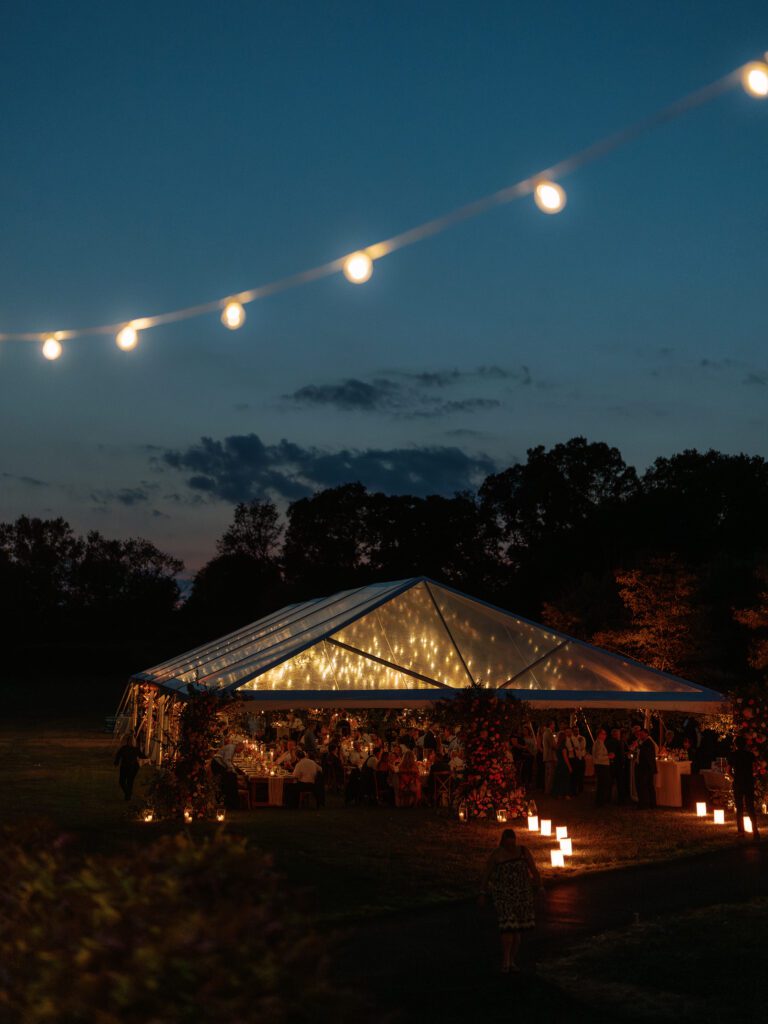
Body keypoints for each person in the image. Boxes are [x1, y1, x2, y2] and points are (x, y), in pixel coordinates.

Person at [480, 828, 542, 973]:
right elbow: (486, 874)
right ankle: (506, 961)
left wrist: (539, 887)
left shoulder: (523, 851)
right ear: (503, 842)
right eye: (507, 844)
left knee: (517, 930)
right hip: (504, 895)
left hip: (522, 895)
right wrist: (482, 892)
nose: (510, 846)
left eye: (512, 843)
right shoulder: (497, 855)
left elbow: (533, 870)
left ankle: (512, 960)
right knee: (507, 927)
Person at [729, 734, 760, 840]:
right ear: (745, 744)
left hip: (738, 782)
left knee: (740, 808)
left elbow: (728, 771)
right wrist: (752, 774)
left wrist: (734, 777)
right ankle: (755, 831)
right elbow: (756, 767)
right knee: (750, 807)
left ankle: (741, 832)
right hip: (748, 782)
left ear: (736, 745)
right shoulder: (750, 755)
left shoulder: (733, 755)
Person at [114, 736, 144, 800]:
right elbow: (118, 755)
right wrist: (116, 762)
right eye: (130, 741)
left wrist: (149, 758)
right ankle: (128, 793)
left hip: (133, 768)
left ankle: (127, 796)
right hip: (124, 767)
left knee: (130, 782)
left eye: (132, 741)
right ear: (128, 742)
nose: (131, 742)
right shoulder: (124, 749)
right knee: (122, 781)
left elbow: (142, 756)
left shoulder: (136, 749)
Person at [636, 728, 658, 809]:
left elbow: (646, 757)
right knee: (648, 786)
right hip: (646, 768)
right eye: (639, 734)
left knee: (644, 786)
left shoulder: (648, 743)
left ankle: (644, 804)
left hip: (645, 769)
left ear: (646, 734)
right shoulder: (645, 743)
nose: (640, 736)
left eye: (641, 734)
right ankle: (650, 804)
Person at [592, 728, 612, 807]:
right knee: (603, 784)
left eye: (605, 734)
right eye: (603, 734)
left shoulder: (600, 743)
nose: (605, 735)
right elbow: (598, 757)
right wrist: (608, 756)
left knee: (602, 784)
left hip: (602, 766)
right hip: (601, 766)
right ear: (599, 735)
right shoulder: (599, 744)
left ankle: (600, 801)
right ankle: (601, 802)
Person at [551, 732, 573, 798]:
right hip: (563, 765)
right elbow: (565, 758)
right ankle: (565, 794)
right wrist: (569, 767)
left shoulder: (558, 747)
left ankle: (559, 794)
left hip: (559, 764)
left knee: (559, 779)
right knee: (565, 780)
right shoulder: (563, 747)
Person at [570, 724, 587, 795]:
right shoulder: (571, 738)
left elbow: (583, 747)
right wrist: (577, 745)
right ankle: (574, 789)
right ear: (572, 731)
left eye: (577, 730)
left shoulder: (582, 738)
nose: (576, 732)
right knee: (575, 775)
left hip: (582, 758)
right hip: (575, 758)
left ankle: (581, 789)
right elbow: (572, 748)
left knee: (581, 774)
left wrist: (577, 746)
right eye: (575, 730)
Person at [541, 720, 557, 795]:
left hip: (546, 756)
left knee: (547, 775)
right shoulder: (549, 733)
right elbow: (553, 745)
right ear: (551, 725)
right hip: (549, 756)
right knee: (550, 775)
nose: (554, 726)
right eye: (554, 725)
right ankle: (548, 790)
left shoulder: (545, 733)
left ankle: (547, 790)